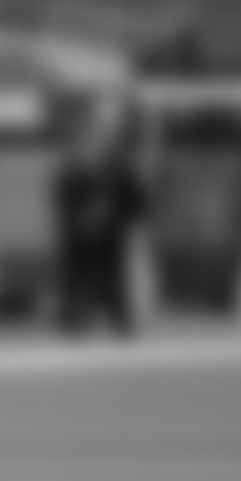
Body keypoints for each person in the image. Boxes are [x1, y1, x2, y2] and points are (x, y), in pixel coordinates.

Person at [52, 114, 144, 336]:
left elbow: (135, 203)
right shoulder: (72, 172)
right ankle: (74, 316)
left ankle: (116, 317)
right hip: (80, 237)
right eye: (91, 140)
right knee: (78, 276)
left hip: (109, 236)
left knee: (111, 276)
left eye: (100, 141)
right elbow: (63, 201)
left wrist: (113, 215)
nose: (95, 146)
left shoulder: (119, 173)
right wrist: (82, 219)